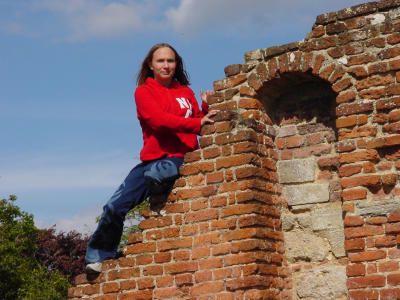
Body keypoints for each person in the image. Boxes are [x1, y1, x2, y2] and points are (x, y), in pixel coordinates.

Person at [85, 43, 219, 274]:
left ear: (177, 64)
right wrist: (196, 123)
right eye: (161, 61)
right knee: (113, 206)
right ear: (150, 64)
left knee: (156, 175)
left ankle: (162, 193)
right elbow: (158, 120)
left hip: (181, 157)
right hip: (152, 159)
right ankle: (99, 258)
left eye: (171, 61)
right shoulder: (143, 92)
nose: (166, 65)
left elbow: (198, 122)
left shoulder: (185, 93)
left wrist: (205, 107)